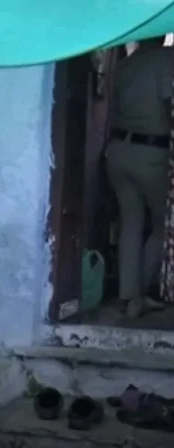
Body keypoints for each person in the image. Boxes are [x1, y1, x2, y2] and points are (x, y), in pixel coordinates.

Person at [107, 35, 171, 317]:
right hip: (152, 152)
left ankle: (127, 295)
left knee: (130, 222)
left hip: (119, 149)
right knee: (163, 224)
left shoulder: (125, 64)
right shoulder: (166, 59)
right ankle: (140, 293)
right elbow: (170, 104)